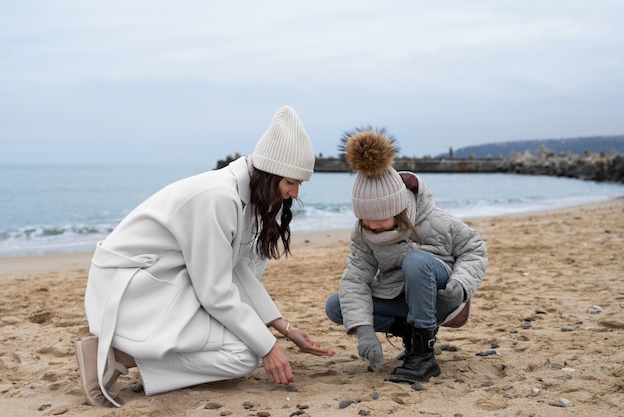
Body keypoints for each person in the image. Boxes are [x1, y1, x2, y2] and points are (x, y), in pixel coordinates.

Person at [75, 105, 335, 408]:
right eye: (291, 182)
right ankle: (114, 356)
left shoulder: (245, 197)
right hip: (133, 288)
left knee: (245, 345)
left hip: (165, 281)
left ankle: (124, 356)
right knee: (244, 353)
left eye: (299, 185)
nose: (294, 193)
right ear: (269, 174)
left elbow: (237, 270)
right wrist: (269, 349)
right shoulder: (219, 197)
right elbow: (215, 291)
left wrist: (284, 328)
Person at [325, 127, 487, 384]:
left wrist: (463, 285)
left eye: (379, 219)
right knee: (336, 305)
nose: (372, 226)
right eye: (365, 220)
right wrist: (364, 331)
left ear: (397, 208)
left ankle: (424, 356)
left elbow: (474, 248)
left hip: (444, 298)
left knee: (415, 261)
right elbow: (355, 279)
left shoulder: (435, 220)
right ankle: (412, 337)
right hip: (401, 298)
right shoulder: (363, 233)